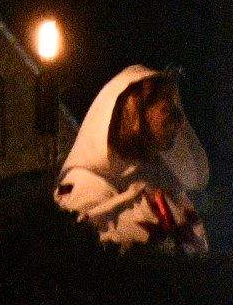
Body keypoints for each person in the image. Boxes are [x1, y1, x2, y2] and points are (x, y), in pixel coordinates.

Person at [57, 64, 208, 250]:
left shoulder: (165, 183)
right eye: (166, 109)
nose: (178, 120)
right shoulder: (83, 186)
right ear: (134, 113)